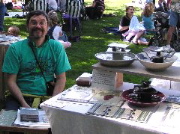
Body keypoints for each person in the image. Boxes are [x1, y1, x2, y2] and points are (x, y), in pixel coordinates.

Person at [2, 10, 71, 110]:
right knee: (10, 123)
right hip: (19, 97)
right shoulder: (15, 49)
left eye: (42, 23)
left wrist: (52, 103)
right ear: (27, 26)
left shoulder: (57, 48)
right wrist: (24, 104)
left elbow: (61, 78)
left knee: (57, 123)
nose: (38, 26)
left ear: (47, 27)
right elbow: (11, 81)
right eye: (33, 22)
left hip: (47, 97)